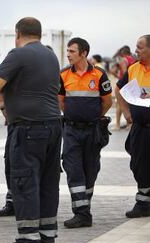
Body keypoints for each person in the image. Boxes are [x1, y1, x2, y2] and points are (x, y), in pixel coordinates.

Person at [0, 17, 62, 243]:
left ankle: (28, 240)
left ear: (17, 33)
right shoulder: (51, 56)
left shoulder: (18, 54)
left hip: (29, 128)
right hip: (53, 125)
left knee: (25, 181)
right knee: (48, 182)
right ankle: (47, 237)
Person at [59, 38, 112, 228]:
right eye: (68, 51)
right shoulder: (64, 74)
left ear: (84, 53)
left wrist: (93, 117)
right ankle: (81, 213)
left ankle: (84, 207)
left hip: (92, 131)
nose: (68, 54)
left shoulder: (99, 74)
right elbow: (61, 101)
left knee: (91, 170)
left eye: (72, 51)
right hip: (71, 130)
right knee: (73, 169)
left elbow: (107, 102)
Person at [116, 35, 150, 218]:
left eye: (140, 47)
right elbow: (119, 89)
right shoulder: (133, 68)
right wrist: (126, 112)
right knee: (138, 164)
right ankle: (143, 203)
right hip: (140, 128)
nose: (136, 50)